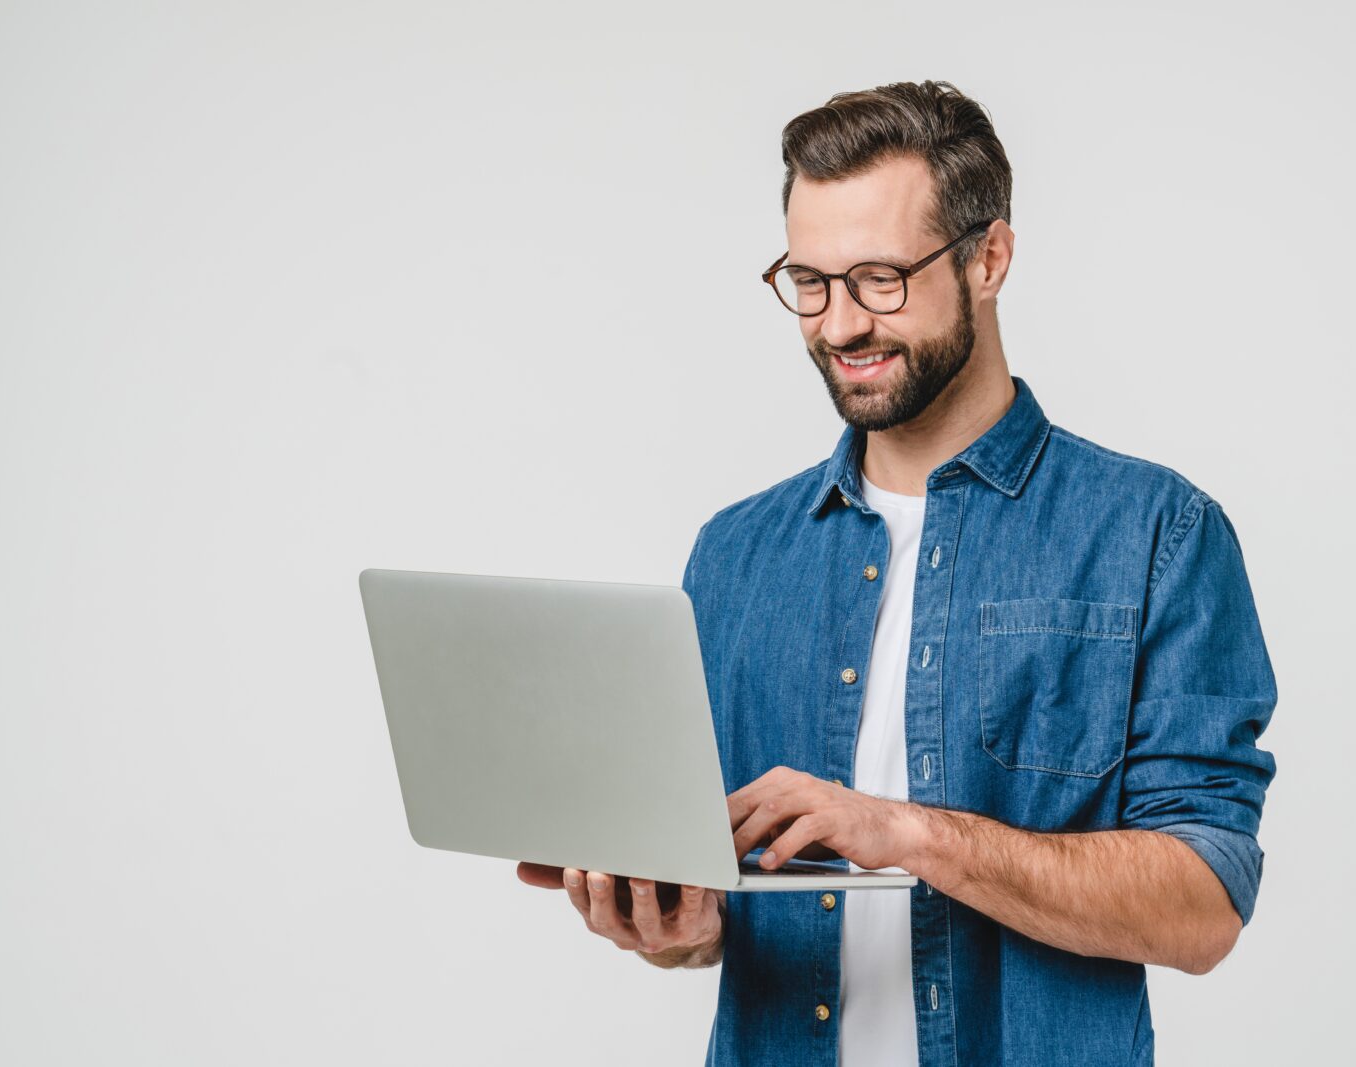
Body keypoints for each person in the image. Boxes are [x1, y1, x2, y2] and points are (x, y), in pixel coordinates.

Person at [517, 79, 1278, 1067]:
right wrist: (675, 926)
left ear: (989, 257)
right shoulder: (736, 553)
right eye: (810, 281)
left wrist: (904, 832)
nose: (838, 326)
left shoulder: (1155, 532)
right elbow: (716, 909)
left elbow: (1203, 906)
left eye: (880, 277)